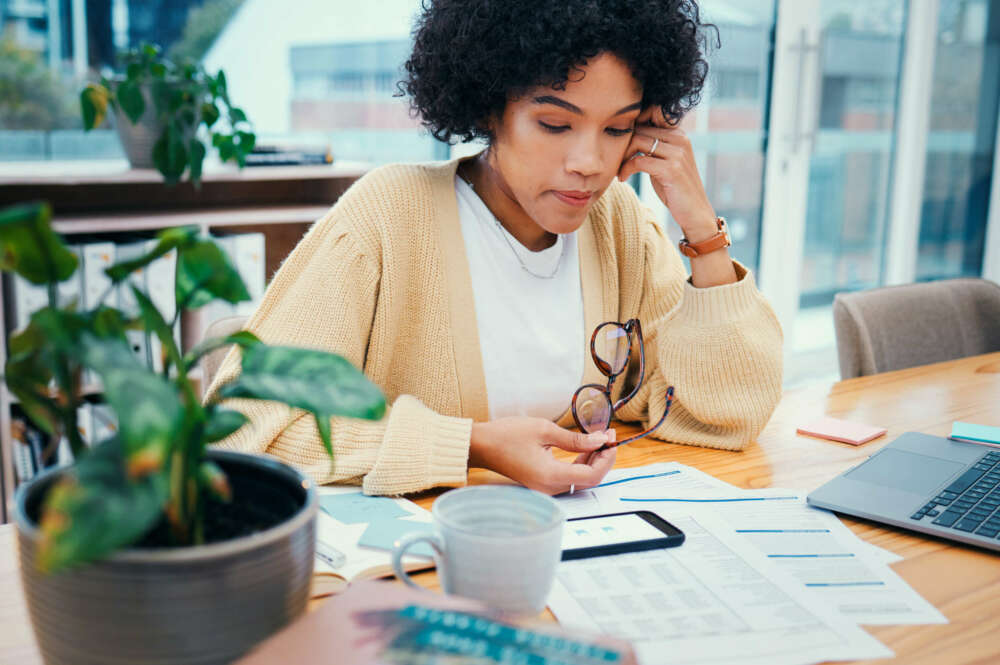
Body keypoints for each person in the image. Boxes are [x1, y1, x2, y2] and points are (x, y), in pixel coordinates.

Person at [205, 0, 783, 496]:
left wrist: (701, 230)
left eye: (617, 129)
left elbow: (723, 415)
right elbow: (239, 431)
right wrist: (470, 446)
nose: (590, 164)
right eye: (555, 125)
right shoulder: (386, 217)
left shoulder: (619, 223)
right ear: (488, 107)